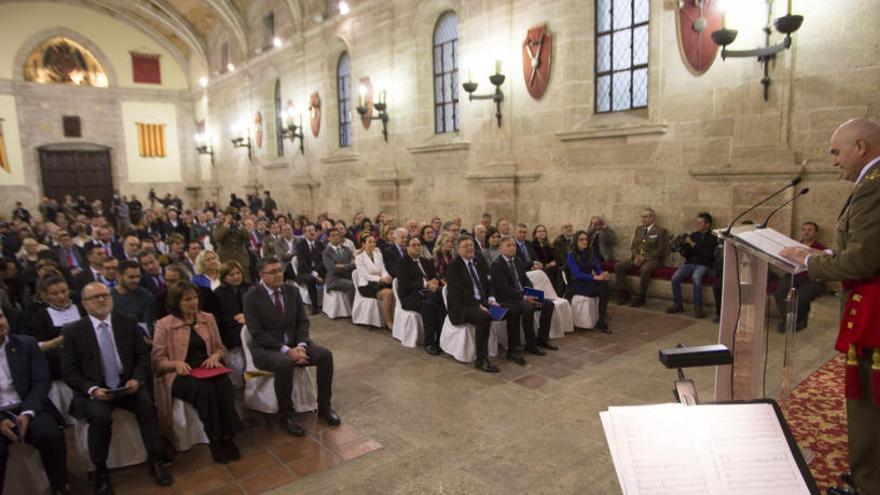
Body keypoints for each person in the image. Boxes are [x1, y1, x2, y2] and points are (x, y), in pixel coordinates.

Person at [779, 118, 880, 495]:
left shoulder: (874, 186)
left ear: (860, 147)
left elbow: (862, 262)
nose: (835, 161)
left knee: (869, 400)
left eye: (837, 152)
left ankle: (869, 483)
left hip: (874, 313)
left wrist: (810, 262)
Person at [61, 282, 173, 492]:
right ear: (85, 304)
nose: (102, 300)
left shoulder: (127, 322)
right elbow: (69, 372)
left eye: (105, 295)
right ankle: (101, 470)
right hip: (96, 389)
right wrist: (92, 389)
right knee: (100, 417)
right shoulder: (74, 331)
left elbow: (142, 356)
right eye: (95, 297)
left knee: (147, 407)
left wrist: (137, 380)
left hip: (127, 384)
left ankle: (156, 461)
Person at [243, 258, 340, 436]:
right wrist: (287, 351)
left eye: (280, 270)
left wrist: (301, 346)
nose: (278, 275)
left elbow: (302, 322)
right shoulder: (251, 297)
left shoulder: (292, 291)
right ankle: (286, 415)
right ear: (261, 275)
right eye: (272, 272)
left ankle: (325, 406)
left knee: (325, 355)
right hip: (267, 348)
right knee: (284, 363)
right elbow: (257, 333)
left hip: (296, 343)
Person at [152, 282, 240, 464]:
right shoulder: (164, 324)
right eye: (187, 299)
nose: (193, 303)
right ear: (176, 303)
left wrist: (215, 357)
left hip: (207, 366)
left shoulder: (207, 318)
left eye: (195, 298)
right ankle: (214, 439)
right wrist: (176, 364)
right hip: (181, 371)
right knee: (204, 390)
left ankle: (228, 437)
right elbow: (157, 360)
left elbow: (219, 347)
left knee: (223, 384)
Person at [0, 308, 70, 494]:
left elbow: (41, 381)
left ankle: (60, 486)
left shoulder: (26, 344)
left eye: (1, 316)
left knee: (50, 435)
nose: (1, 323)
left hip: (29, 406)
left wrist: (27, 412)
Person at [491, 237, 557, 362]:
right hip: (508, 298)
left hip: (523, 295)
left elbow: (526, 280)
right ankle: (528, 344)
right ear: (501, 249)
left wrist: (532, 293)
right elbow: (504, 288)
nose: (512, 248)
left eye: (514, 245)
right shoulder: (497, 265)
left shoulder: (518, 260)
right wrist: (525, 297)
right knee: (527, 307)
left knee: (548, 304)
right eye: (508, 245)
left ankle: (542, 339)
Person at [445, 237, 500, 373]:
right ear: (458, 250)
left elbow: (490, 283)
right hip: (462, 306)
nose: (470, 248)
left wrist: (492, 299)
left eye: (471, 245)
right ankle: (481, 359)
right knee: (483, 317)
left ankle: (513, 348)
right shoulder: (453, 266)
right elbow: (458, 292)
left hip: (482, 301)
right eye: (465, 246)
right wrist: (477, 305)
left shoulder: (478, 261)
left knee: (508, 310)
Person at [25, 275, 84, 379]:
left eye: (64, 291)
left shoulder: (81, 308)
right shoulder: (40, 316)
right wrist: (58, 341)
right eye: (54, 294)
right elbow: (37, 346)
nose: (61, 296)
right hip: (59, 367)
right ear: (45, 295)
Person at [773, 221, 827, 331]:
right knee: (780, 292)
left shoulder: (820, 249)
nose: (806, 232)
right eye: (804, 230)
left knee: (803, 297)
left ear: (815, 233)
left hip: (811, 278)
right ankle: (791, 321)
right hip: (794, 275)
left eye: (810, 230)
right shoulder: (794, 246)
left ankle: (795, 322)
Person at [397, 237, 445, 355]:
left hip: (428, 293)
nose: (417, 247)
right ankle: (429, 342)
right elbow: (405, 285)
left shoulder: (425, 261)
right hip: (410, 297)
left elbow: (434, 276)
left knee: (442, 303)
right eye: (414, 245)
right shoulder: (402, 263)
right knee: (429, 306)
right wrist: (426, 283)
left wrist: (434, 282)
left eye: (419, 245)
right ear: (407, 247)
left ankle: (440, 339)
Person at [612, 208, 669, 307]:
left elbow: (661, 249)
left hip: (653, 260)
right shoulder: (639, 229)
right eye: (642, 217)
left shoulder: (660, 231)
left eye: (645, 217)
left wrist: (644, 258)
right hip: (637, 257)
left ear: (652, 218)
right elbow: (633, 246)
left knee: (645, 269)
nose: (643, 219)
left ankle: (640, 296)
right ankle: (623, 293)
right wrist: (636, 256)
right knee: (619, 266)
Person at [667, 213, 717, 318]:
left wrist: (692, 243)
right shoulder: (694, 235)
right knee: (675, 278)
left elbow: (707, 254)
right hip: (690, 263)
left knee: (696, 277)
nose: (697, 224)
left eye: (700, 222)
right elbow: (687, 254)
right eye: (697, 222)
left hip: (704, 264)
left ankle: (698, 308)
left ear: (707, 224)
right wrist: (681, 248)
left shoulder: (713, 237)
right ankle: (678, 304)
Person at [565, 231, 611, 332]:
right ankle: (602, 318)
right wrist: (595, 277)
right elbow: (576, 273)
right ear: (576, 241)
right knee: (602, 287)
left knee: (605, 284)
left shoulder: (590, 252)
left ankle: (601, 318)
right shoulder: (571, 255)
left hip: (588, 281)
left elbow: (597, 267)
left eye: (586, 239)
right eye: (581, 240)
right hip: (576, 284)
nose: (584, 242)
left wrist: (603, 274)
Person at [354, 234, 395, 327]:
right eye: (369, 242)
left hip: (380, 282)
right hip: (366, 285)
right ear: (363, 244)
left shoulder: (378, 255)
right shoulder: (359, 258)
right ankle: (389, 322)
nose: (372, 244)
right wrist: (380, 279)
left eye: (374, 242)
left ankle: (395, 318)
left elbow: (383, 269)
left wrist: (386, 277)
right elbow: (365, 275)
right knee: (388, 293)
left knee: (394, 290)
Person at [111, 260, 156, 342]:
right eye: (131, 277)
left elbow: (149, 324)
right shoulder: (109, 297)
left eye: (138, 276)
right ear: (118, 276)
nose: (136, 280)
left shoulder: (146, 295)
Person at [212, 261, 250, 351]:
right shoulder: (218, 294)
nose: (236, 276)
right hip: (231, 332)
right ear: (224, 278)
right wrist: (236, 319)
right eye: (231, 275)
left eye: (238, 273)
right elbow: (219, 318)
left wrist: (247, 317)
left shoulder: (249, 288)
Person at [292, 224, 326, 315]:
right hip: (304, 272)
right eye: (309, 230)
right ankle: (314, 306)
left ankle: (327, 304)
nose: (312, 232)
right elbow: (302, 264)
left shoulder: (320, 244)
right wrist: (315, 275)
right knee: (311, 279)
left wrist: (318, 273)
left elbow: (323, 260)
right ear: (304, 233)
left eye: (313, 230)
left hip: (319, 270)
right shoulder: (300, 245)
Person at [213, 212, 251, 282]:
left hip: (241, 259)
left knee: (244, 281)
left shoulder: (239, 226)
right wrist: (226, 225)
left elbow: (248, 237)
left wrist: (240, 226)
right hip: (226, 259)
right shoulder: (219, 225)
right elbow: (217, 238)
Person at [323, 229, 356, 303]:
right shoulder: (326, 252)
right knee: (351, 285)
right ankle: (354, 312)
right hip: (334, 279)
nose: (336, 237)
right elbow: (331, 268)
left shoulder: (347, 249)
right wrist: (349, 266)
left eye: (337, 234)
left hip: (348, 276)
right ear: (328, 238)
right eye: (333, 235)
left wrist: (341, 266)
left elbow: (354, 264)